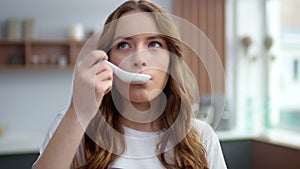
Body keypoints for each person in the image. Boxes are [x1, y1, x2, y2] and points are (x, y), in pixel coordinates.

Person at [32, 1, 227, 169]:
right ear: (108, 61)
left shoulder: (202, 137)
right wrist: (78, 112)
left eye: (154, 44)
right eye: (124, 45)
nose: (139, 59)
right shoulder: (74, 126)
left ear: (171, 60)